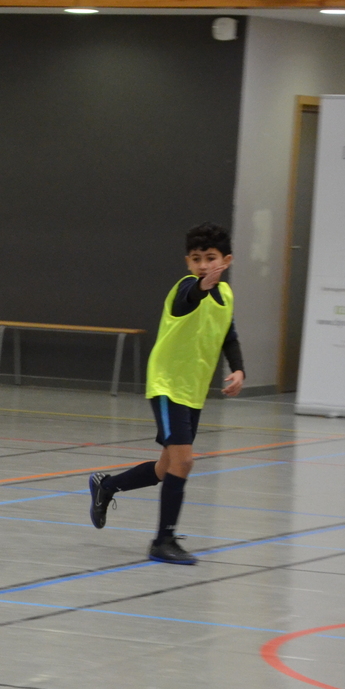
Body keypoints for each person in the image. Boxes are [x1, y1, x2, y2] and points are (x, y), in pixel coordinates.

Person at [87, 222, 244, 565]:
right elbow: (192, 296)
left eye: (211, 258)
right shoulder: (185, 289)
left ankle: (106, 486)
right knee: (184, 462)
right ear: (188, 262)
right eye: (197, 258)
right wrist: (202, 284)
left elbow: (228, 336)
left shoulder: (227, 296)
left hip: (192, 392)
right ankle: (163, 540)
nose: (203, 265)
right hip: (167, 386)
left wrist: (238, 369)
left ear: (227, 260)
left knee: (166, 467)